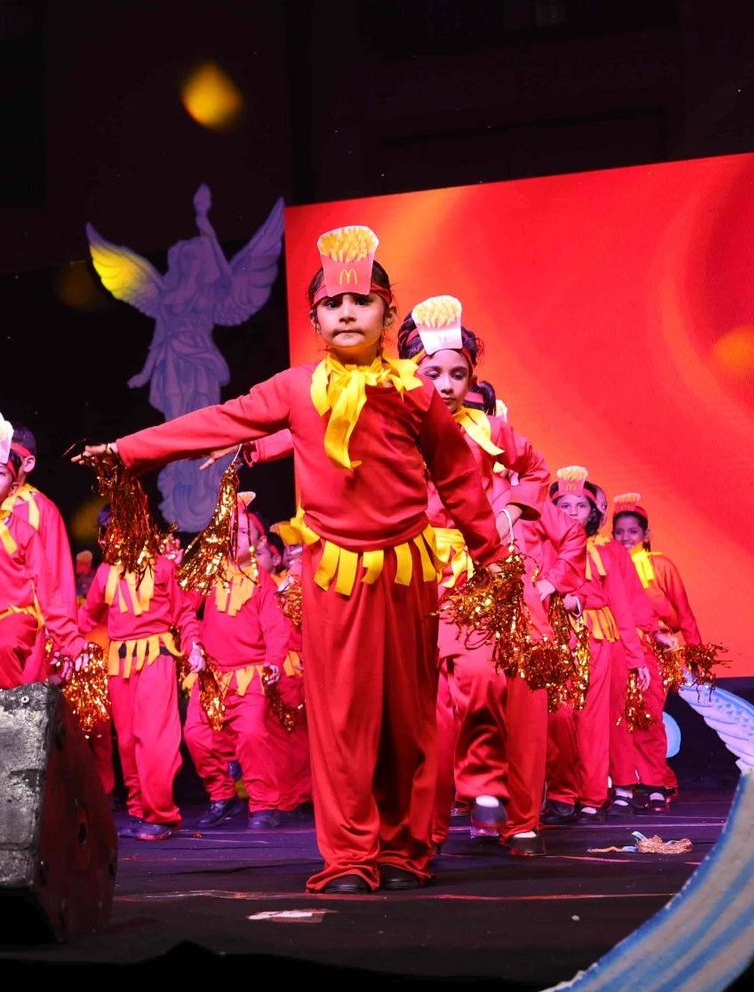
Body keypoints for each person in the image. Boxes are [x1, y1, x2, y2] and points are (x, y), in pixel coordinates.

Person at [77, 224, 505, 892]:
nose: (347, 313)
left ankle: (404, 849)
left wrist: (491, 556)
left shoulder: (415, 392)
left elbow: (458, 477)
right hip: (334, 579)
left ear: (388, 312)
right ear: (314, 319)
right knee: (341, 722)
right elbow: (218, 421)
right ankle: (351, 856)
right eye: (333, 304)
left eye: (361, 301)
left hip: (407, 577)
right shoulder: (295, 387)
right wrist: (128, 451)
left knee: (407, 719)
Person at [398, 296, 570, 859]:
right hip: (423, 581)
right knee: (433, 710)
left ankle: (520, 819)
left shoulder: (489, 431)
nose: (447, 385)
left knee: (520, 697)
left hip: (493, 576)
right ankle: (431, 827)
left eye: (458, 374)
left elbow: (535, 469)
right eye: (433, 373)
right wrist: (257, 448)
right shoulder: (392, 431)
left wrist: (511, 513)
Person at [78, 510, 202, 841]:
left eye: (123, 527)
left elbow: (183, 612)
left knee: (154, 739)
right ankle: (138, 810)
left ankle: (161, 815)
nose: (116, 536)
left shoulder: (162, 567)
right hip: (119, 663)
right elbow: (87, 617)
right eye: (109, 531)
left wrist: (193, 646)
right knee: (128, 740)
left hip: (155, 657)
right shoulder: (106, 573)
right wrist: (65, 644)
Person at [181, 498, 303, 830]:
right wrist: (192, 644)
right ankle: (222, 796)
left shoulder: (262, 581)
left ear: (257, 542)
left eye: (245, 532)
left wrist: (274, 661)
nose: (237, 536)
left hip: (249, 675)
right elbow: (184, 609)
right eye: (232, 530)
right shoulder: (208, 574)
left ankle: (263, 804)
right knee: (195, 735)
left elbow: (276, 628)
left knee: (251, 735)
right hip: (211, 677)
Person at [544, 466, 653, 824]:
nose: (572, 512)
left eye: (580, 506)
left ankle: (592, 796)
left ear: (593, 513)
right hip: (550, 638)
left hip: (596, 640)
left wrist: (637, 659)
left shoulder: (604, 552)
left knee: (593, 721)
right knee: (558, 718)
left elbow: (621, 605)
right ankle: (561, 793)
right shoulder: (542, 545)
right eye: (564, 505)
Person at [0, 412, 86, 687]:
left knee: (7, 660)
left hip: (19, 623)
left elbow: (53, 582)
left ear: (11, 485)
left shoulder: (33, 519)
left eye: (0, 471)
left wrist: (68, 642)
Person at [610, 492, 701, 812]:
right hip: (617, 648)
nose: (625, 538)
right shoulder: (608, 564)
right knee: (620, 721)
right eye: (619, 532)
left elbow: (684, 612)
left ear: (646, 534)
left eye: (632, 531)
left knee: (648, 717)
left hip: (655, 649)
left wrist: (695, 653)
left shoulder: (660, 565)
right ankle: (630, 784)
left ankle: (657, 784)